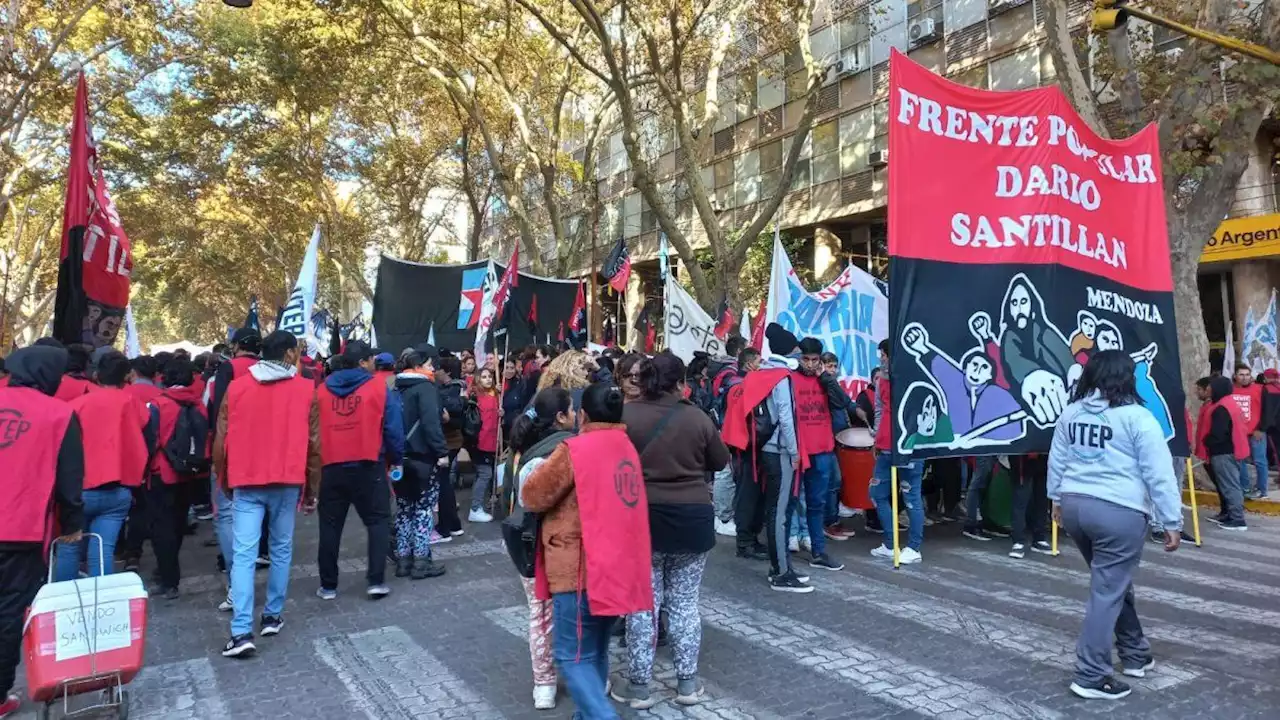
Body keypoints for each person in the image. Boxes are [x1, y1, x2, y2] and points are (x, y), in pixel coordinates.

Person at [1047, 350, 1182, 701]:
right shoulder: (1138, 417)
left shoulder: (1071, 412)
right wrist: (1171, 519)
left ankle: (1135, 653)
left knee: (1113, 581)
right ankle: (1091, 674)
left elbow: (1057, 459)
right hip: (1118, 511)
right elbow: (1159, 473)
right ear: (1127, 377)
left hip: (1076, 505)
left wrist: (1056, 500)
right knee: (1107, 589)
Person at [523, 383, 653, 719]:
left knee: (570, 655)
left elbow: (533, 495)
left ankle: (603, 716)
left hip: (580, 567)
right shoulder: (626, 446)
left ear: (582, 415)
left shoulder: (575, 448)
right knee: (594, 650)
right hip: (617, 564)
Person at [613, 351, 729, 708]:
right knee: (684, 604)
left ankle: (640, 687)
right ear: (680, 384)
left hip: (641, 519)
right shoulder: (696, 418)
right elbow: (721, 461)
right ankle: (687, 684)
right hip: (692, 518)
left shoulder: (624, 416)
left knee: (643, 607)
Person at [214, 331, 321, 658]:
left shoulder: (237, 387)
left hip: (247, 480)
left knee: (244, 556)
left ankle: (242, 630)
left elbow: (221, 441)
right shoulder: (306, 390)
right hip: (287, 480)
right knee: (281, 548)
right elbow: (314, 444)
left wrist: (224, 480)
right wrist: (313, 487)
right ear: (290, 354)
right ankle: (273, 615)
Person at [0, 346, 85, 719]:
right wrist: (72, 526)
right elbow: (70, 482)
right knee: (8, 613)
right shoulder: (58, 413)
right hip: (21, 528)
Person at [316, 341, 405, 601]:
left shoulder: (322, 390)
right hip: (369, 463)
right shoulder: (378, 387)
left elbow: (311, 431)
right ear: (364, 362)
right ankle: (375, 581)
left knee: (330, 526)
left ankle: (328, 585)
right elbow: (392, 428)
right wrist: (396, 458)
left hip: (331, 465)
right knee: (378, 521)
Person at [505, 388, 576, 711]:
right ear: (560, 417)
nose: (576, 416)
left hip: (528, 545)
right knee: (573, 613)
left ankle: (543, 683)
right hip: (556, 545)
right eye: (572, 410)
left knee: (541, 615)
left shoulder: (519, 450)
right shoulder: (561, 452)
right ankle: (578, 676)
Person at [58, 351, 154, 582]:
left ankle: (66, 606)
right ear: (126, 377)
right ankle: (101, 607)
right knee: (102, 552)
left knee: (68, 549)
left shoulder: (76, 405)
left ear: (96, 375)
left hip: (78, 491)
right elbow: (147, 433)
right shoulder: (133, 403)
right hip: (119, 488)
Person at [208, 327, 263, 607]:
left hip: (232, 450)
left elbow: (218, 413)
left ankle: (236, 581)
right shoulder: (269, 369)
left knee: (226, 516)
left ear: (237, 345)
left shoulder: (228, 369)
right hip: (265, 450)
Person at [147, 357, 208, 599]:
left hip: (162, 472)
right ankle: (168, 566)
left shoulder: (158, 404)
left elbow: (150, 440)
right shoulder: (198, 405)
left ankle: (168, 578)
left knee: (161, 527)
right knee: (178, 523)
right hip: (190, 472)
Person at [789, 338, 846, 570]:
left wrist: (826, 379)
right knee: (790, 501)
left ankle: (819, 551)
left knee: (816, 503)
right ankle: (783, 552)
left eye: (815, 360)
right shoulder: (790, 379)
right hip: (798, 450)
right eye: (806, 359)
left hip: (822, 450)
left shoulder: (826, 380)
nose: (811, 364)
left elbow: (842, 403)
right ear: (799, 358)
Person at [392, 344, 449, 577]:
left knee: (404, 509)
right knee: (424, 509)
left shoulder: (395, 388)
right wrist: (441, 452)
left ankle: (403, 559)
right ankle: (421, 560)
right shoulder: (425, 388)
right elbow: (431, 423)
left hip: (399, 458)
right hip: (423, 458)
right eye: (428, 365)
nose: (433, 368)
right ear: (417, 366)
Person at [870, 339, 926, 564]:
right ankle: (890, 543)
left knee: (911, 495)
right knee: (877, 494)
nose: (882, 359)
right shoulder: (881, 379)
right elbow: (879, 410)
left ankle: (914, 546)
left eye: (883, 354)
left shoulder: (916, 374)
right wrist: (876, 437)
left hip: (910, 444)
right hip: (885, 445)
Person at [1202, 375, 1249, 531]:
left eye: (1210, 387)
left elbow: (1219, 433)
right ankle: (1231, 514)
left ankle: (1237, 519)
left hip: (1224, 451)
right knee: (1229, 484)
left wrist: (1207, 441)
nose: (1208, 389)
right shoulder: (1229, 403)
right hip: (1232, 449)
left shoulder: (1222, 407)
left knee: (1230, 485)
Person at [435, 355, 467, 538]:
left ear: (446, 371)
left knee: (443, 484)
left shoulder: (453, 389)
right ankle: (453, 524)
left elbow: (452, 413)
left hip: (450, 441)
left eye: (438, 367)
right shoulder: (454, 388)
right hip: (451, 440)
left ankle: (446, 527)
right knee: (444, 483)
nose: (435, 371)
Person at [1230, 363, 1268, 499]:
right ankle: (1245, 488)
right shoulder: (1230, 390)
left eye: (1247, 375)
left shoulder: (1260, 389)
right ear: (1235, 376)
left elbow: (1268, 411)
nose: (1245, 378)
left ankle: (1262, 490)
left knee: (1260, 461)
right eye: (1241, 374)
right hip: (1238, 432)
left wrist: (1261, 428)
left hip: (1256, 432)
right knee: (1240, 460)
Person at [468, 366, 500, 523]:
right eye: (484, 377)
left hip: (490, 441)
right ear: (478, 380)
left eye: (489, 377)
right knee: (485, 474)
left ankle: (477, 504)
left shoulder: (493, 395)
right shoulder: (478, 397)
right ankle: (475, 508)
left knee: (483, 475)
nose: (488, 379)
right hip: (481, 442)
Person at [1007, 454, 1051, 559]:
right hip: (1022, 456)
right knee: (1021, 498)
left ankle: (1039, 537)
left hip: (1043, 455)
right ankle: (1018, 540)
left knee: (1042, 497)